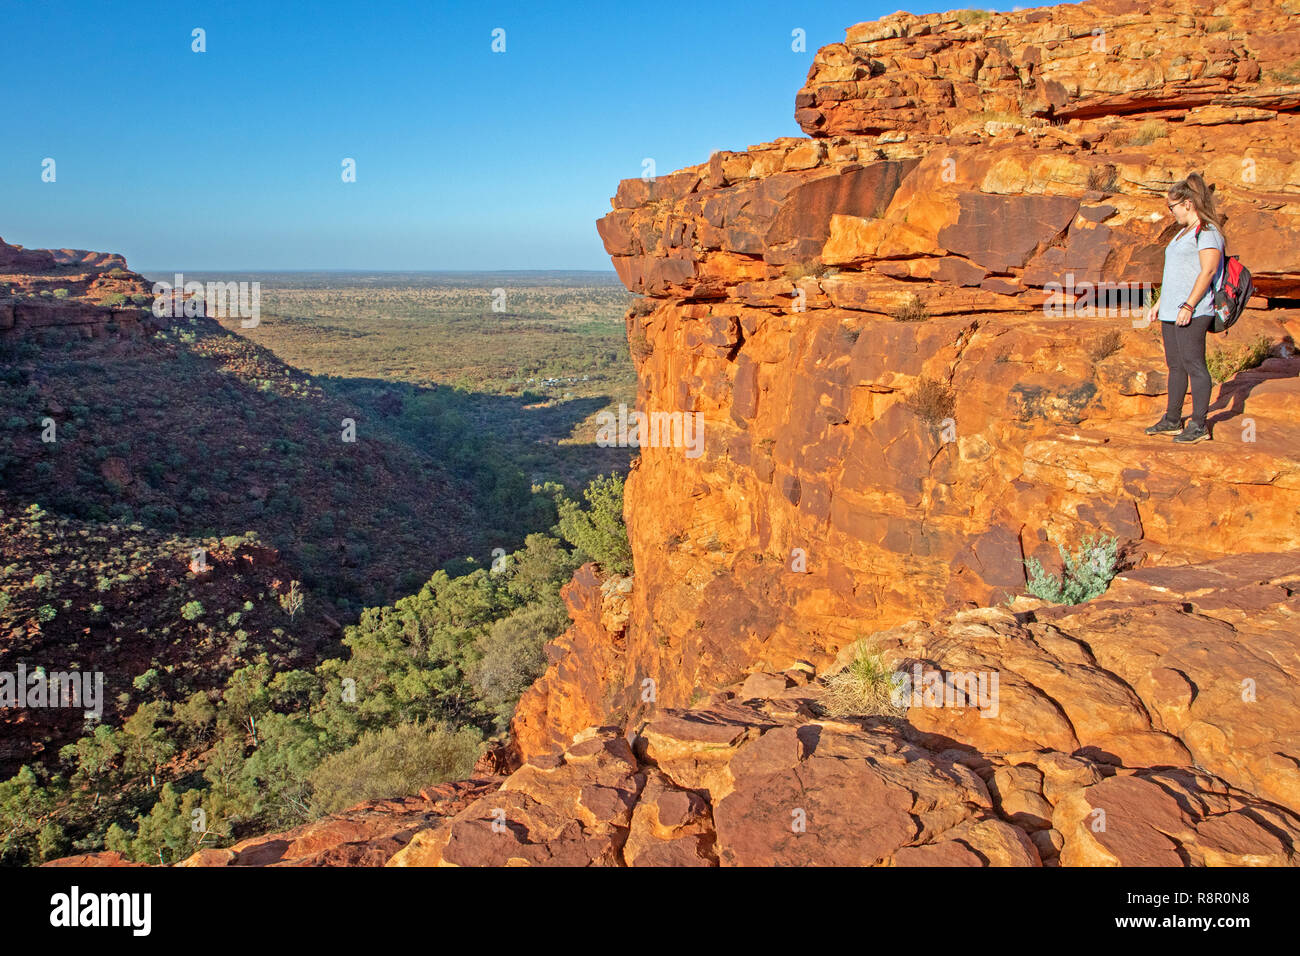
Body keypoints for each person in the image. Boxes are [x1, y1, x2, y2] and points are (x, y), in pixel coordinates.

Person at [1141, 172, 1226, 443]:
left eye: (1172, 206)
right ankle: (1172, 420)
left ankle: (1200, 425)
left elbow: (1209, 270)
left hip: (1194, 310)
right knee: (1176, 365)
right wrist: (1159, 303)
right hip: (1171, 310)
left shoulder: (1208, 232)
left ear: (1187, 203)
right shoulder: (1181, 234)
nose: (1171, 211)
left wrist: (1189, 305)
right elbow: (1175, 273)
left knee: (1194, 364)